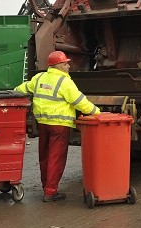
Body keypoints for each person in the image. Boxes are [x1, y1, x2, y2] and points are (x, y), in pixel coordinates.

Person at [14, 51, 101, 202]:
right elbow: (80, 102)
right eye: (65, 63)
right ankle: (51, 192)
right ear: (58, 66)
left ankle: (45, 185)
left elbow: (21, 89)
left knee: (45, 156)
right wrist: (97, 112)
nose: (68, 66)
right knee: (56, 157)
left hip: (43, 124)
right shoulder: (65, 82)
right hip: (59, 126)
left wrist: (10, 94)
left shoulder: (39, 77)